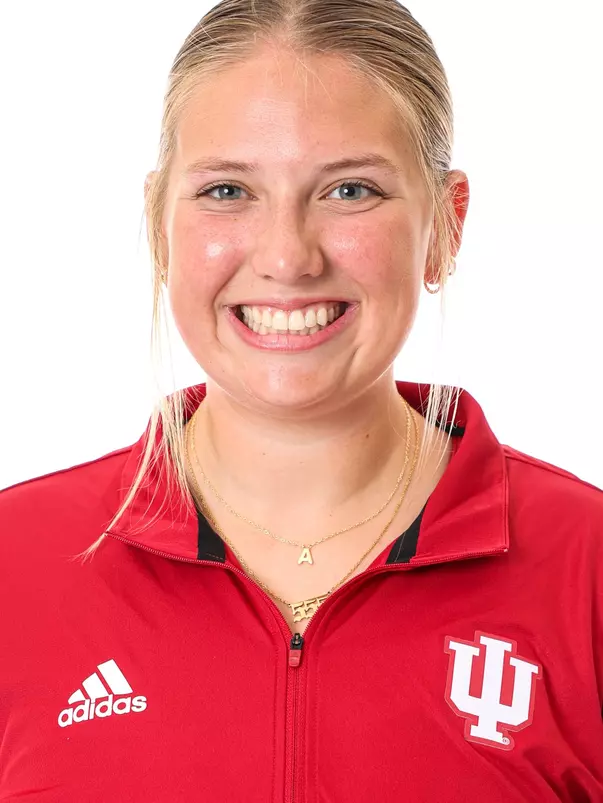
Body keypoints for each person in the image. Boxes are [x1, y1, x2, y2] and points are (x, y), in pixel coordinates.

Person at [1, 0, 602, 800]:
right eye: (226, 190)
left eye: (350, 190)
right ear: (157, 225)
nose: (287, 256)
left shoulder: (585, 568)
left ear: (444, 228)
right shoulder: (17, 565)